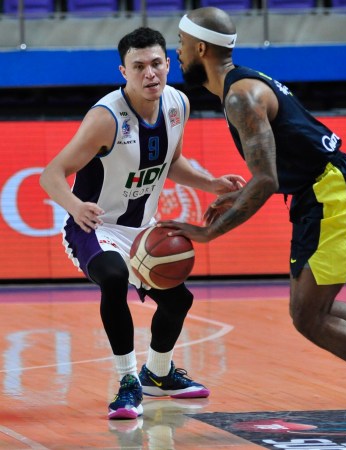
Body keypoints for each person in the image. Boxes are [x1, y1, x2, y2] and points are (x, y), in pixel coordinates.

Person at [157, 6, 346, 439]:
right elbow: (282, 162)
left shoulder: (240, 96)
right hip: (320, 192)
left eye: (181, 45)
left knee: (310, 317)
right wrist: (239, 193)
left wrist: (207, 233)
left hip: (333, 193)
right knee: (311, 309)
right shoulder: (243, 85)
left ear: (201, 48)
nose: (178, 54)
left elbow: (267, 179)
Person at [39, 26, 245, 420]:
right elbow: (51, 174)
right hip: (95, 227)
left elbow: (172, 163)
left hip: (141, 231)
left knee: (179, 300)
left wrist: (212, 183)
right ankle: (127, 382)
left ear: (168, 64)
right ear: (124, 71)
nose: (149, 73)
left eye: (155, 64)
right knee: (114, 277)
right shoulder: (105, 118)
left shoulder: (178, 104)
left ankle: (158, 374)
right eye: (138, 67)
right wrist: (76, 207)